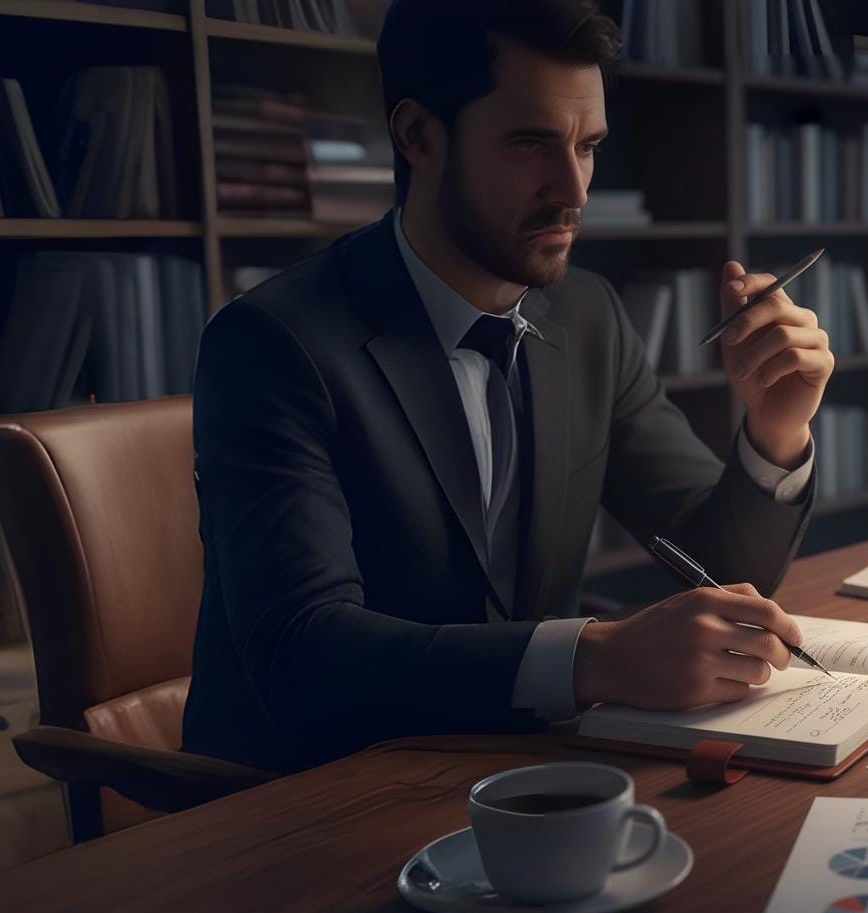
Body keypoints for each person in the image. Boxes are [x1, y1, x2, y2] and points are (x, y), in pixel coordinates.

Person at [184, 0, 833, 773]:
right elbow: (304, 655)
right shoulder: (271, 344)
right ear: (417, 135)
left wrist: (775, 432)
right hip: (305, 801)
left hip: (513, 775)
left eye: (587, 146)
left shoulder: (587, 314)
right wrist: (594, 660)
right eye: (531, 143)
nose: (575, 189)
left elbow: (719, 567)